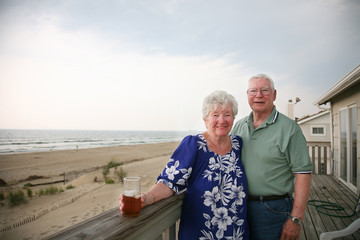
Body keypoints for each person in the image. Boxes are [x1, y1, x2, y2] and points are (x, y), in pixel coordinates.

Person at [119, 90, 250, 240]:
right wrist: (147, 198)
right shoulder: (194, 144)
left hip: (236, 232)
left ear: (233, 118)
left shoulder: (238, 145)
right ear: (205, 120)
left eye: (227, 114)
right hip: (201, 233)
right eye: (215, 115)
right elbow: (169, 182)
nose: (222, 120)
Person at [230, 74, 312, 240]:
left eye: (264, 90)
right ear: (247, 95)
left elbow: (303, 173)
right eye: (253, 91)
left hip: (273, 210)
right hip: (240, 207)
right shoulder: (239, 126)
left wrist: (295, 219)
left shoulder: (289, 129)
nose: (258, 95)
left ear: (274, 95)